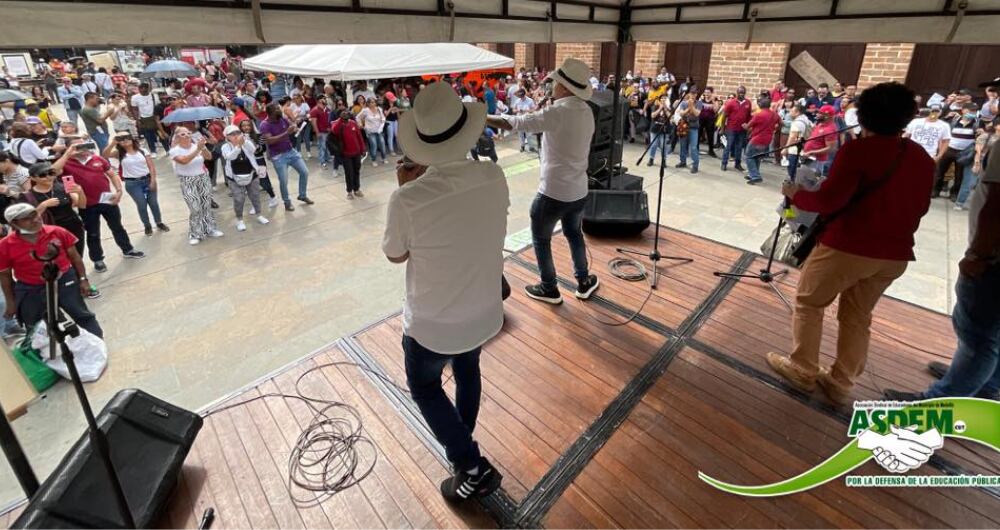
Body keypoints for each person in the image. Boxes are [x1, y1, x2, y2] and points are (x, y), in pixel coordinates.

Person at [766, 82, 934, 405]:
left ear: (864, 115)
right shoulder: (920, 157)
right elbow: (921, 207)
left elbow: (828, 201)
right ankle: (841, 383)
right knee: (857, 316)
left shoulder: (858, 151)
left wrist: (795, 194)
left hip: (847, 247)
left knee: (810, 302)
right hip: (895, 255)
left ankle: (803, 369)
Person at [386, 81, 508, 502]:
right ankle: (461, 435)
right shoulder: (494, 175)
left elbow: (395, 255)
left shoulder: (408, 199)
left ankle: (471, 464)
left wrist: (404, 189)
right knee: (468, 367)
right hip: (484, 310)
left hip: (433, 325)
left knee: (425, 387)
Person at [884, 109, 1000, 402]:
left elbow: (996, 205)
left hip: (992, 259)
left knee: (978, 335)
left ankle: (944, 399)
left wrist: (978, 254)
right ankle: (982, 383)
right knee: (990, 334)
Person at [487, 57, 600, 304]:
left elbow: (516, 123)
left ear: (565, 87)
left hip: (552, 192)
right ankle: (583, 281)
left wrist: (482, 117)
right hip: (579, 191)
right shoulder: (587, 111)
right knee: (574, 234)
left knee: (541, 239)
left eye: (555, 83)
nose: (552, 86)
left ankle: (549, 288)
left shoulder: (558, 112)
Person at [0, 204, 103, 337]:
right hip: (31, 288)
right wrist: (11, 302)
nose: (35, 219)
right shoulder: (5, 246)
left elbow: (75, 257)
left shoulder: (57, 232)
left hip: (64, 280)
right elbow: (5, 276)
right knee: (36, 326)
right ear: (14, 223)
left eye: (35, 214)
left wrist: (83, 280)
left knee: (82, 315)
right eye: (27, 218)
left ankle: (97, 342)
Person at [52, 139, 145, 272]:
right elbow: (53, 171)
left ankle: (128, 249)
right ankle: (97, 259)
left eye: (84, 144)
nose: (82, 147)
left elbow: (112, 175)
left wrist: (118, 191)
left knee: (117, 227)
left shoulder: (97, 159)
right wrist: (67, 153)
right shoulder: (65, 163)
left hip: (107, 200)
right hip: (86, 205)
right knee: (93, 233)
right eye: (78, 145)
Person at [103, 132, 169, 236]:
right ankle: (147, 225)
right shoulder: (119, 153)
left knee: (154, 204)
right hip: (132, 183)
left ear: (132, 138)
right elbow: (104, 155)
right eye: (121, 138)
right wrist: (112, 143)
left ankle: (159, 222)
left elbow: (151, 167)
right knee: (141, 205)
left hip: (147, 179)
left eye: (127, 137)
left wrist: (153, 181)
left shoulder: (142, 151)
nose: (125, 140)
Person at [20, 162, 87, 259]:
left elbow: (82, 205)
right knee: (58, 259)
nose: (48, 177)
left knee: (77, 257)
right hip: (49, 232)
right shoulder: (28, 196)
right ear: (33, 178)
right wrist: (43, 205)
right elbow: (28, 220)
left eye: (51, 173)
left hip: (73, 227)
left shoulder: (62, 187)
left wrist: (80, 192)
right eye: (42, 175)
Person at [169, 126, 223, 245]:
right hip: (187, 180)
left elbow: (209, 157)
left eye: (188, 133)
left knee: (206, 205)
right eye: (183, 134)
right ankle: (195, 233)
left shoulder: (196, 146)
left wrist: (202, 148)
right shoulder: (174, 150)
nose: (187, 135)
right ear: (177, 137)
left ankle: (210, 229)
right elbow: (184, 161)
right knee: (195, 208)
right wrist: (197, 149)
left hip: (202, 177)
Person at [259, 103, 312, 211]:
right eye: (276, 111)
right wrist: (286, 133)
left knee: (304, 172)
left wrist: (294, 128)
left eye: (279, 109)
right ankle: (287, 202)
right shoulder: (264, 124)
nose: (279, 112)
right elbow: (270, 141)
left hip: (290, 151)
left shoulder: (282, 118)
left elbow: (291, 127)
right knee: (284, 181)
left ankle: (302, 195)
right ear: (270, 113)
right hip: (278, 156)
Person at [220, 125, 269, 231]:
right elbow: (230, 157)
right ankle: (240, 220)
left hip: (252, 173)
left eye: (237, 133)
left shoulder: (246, 142)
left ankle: (259, 214)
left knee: (255, 196)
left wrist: (244, 142)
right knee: (239, 199)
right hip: (234, 177)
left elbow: (253, 150)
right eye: (232, 134)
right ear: (227, 137)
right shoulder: (225, 147)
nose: (235, 136)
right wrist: (238, 146)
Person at [932, 102, 978, 201]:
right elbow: (940, 125)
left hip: (964, 153)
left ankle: (954, 193)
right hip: (949, 149)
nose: (972, 113)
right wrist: (947, 117)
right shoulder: (954, 120)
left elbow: (978, 137)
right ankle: (936, 190)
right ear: (963, 110)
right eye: (970, 110)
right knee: (940, 171)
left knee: (959, 175)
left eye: (974, 111)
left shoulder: (976, 123)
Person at [238, 118, 280, 209]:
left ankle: (273, 197)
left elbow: (261, 150)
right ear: (240, 127)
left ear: (251, 126)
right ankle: (255, 205)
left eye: (248, 125)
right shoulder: (239, 137)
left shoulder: (259, 136)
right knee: (250, 184)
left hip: (259, 161)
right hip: (247, 163)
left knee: (264, 181)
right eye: (243, 126)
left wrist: (249, 143)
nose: (246, 127)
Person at [955, 118, 997, 210]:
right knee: (969, 183)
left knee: (985, 186)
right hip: (979, 161)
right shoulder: (986, 136)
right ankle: (959, 203)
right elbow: (978, 150)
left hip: (992, 164)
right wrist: (976, 163)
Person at [330, 109, 367, 199]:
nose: (345, 114)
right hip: (346, 154)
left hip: (356, 153)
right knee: (349, 173)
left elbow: (359, 136)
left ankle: (357, 189)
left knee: (356, 171)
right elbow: (334, 130)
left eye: (346, 113)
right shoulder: (337, 124)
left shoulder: (353, 123)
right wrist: (340, 120)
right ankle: (349, 191)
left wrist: (362, 149)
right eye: (343, 113)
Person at [743, 97, 780, 184]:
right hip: (767, 139)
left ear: (760, 105)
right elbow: (781, 123)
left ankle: (755, 176)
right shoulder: (774, 114)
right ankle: (752, 174)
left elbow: (748, 126)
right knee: (757, 156)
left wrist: (744, 125)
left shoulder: (759, 115)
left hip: (757, 138)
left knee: (749, 156)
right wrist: (774, 129)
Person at [801, 105, 839, 176]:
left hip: (816, 161)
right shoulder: (820, 124)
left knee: (811, 180)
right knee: (802, 178)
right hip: (808, 157)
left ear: (827, 116)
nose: (817, 114)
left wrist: (812, 152)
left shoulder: (830, 129)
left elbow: (830, 148)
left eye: (820, 113)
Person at [720, 86, 751, 172]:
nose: (741, 94)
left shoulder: (748, 103)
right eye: (740, 92)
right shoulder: (731, 103)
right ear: (737, 93)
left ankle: (737, 164)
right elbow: (724, 116)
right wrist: (722, 128)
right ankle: (724, 163)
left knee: (739, 147)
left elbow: (749, 116)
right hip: (731, 128)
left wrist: (748, 127)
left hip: (742, 129)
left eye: (743, 93)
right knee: (728, 146)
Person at [782, 104, 813, 180]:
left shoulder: (797, 123)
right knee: (797, 170)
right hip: (803, 148)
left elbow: (793, 137)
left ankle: (791, 184)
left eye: (792, 111)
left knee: (792, 171)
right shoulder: (806, 120)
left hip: (795, 150)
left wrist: (785, 149)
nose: (790, 112)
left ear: (797, 112)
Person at [676, 92, 704, 173]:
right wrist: (689, 108)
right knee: (683, 145)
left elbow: (697, 114)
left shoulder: (699, 103)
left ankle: (695, 166)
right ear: (689, 94)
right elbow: (681, 114)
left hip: (694, 128)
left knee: (693, 147)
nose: (693, 95)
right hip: (684, 127)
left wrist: (691, 106)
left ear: (696, 95)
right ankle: (683, 162)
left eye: (695, 94)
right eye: (692, 93)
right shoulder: (683, 103)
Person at [131, 83, 160, 157]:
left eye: (145, 87)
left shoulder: (154, 95)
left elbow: (157, 106)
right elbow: (134, 109)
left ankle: (158, 143)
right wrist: (137, 120)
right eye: (141, 88)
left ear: (148, 88)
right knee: (148, 135)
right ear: (139, 89)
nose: (143, 89)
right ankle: (153, 150)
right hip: (143, 118)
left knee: (157, 132)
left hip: (154, 117)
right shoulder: (135, 98)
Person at [357, 98, 388, 167]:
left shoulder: (379, 109)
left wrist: (381, 127)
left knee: (382, 144)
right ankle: (373, 160)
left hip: (379, 131)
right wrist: (361, 125)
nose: (372, 104)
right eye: (371, 102)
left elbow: (383, 119)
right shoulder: (365, 110)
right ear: (368, 103)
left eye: (374, 102)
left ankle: (384, 158)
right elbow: (357, 117)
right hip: (370, 132)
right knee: (374, 145)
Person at [309, 97, 333, 168]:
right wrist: (317, 132)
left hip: (327, 131)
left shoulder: (327, 109)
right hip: (321, 132)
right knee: (322, 147)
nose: (324, 104)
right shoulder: (315, 110)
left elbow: (330, 119)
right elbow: (314, 122)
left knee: (327, 146)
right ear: (318, 103)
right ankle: (322, 161)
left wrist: (330, 128)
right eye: (323, 103)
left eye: (325, 103)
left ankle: (327, 158)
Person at [698, 87, 718, 158]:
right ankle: (696, 148)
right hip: (701, 119)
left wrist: (713, 101)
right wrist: (700, 100)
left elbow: (716, 110)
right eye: (705, 92)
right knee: (699, 133)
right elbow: (698, 108)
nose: (706, 94)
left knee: (710, 135)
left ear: (711, 93)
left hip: (710, 120)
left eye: (708, 92)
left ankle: (711, 150)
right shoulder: (702, 99)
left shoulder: (715, 100)